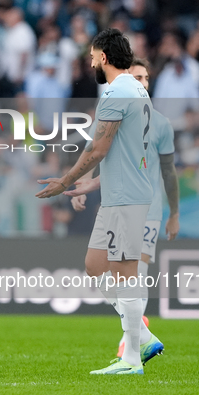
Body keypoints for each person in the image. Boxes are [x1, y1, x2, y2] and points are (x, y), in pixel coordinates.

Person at [36, 28, 160, 375]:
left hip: (127, 198)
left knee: (124, 275)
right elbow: (124, 153)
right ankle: (145, 336)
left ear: (103, 57)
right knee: (94, 264)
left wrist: (65, 180)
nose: (90, 61)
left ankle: (133, 358)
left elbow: (99, 148)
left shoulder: (118, 90)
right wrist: (89, 185)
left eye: (92, 56)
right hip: (118, 193)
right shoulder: (135, 90)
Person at [69, 58, 180, 358]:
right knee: (100, 267)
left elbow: (168, 172)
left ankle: (131, 347)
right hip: (116, 202)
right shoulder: (115, 108)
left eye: (145, 77)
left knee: (133, 273)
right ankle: (139, 336)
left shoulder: (159, 124)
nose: (141, 82)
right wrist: (85, 183)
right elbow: (97, 149)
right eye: (136, 76)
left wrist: (175, 212)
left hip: (146, 208)